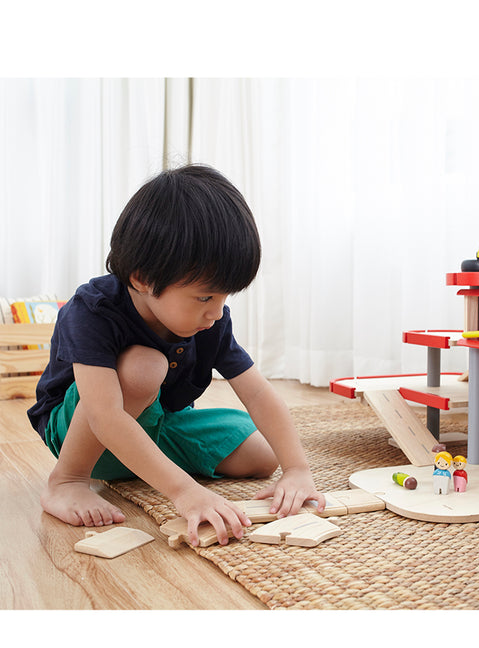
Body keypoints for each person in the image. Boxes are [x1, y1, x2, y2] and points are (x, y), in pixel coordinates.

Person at [27, 164, 325, 546]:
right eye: (205, 297)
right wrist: (185, 492)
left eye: (224, 297)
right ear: (142, 278)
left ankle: (147, 464)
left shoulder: (211, 320)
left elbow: (257, 393)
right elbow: (104, 416)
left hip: (159, 423)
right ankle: (65, 481)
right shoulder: (92, 310)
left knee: (262, 456)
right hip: (83, 432)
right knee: (143, 367)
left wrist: (296, 468)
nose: (216, 312)